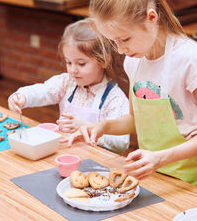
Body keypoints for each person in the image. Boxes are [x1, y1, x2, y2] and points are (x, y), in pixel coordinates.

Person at [74, 0, 197, 186]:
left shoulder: (190, 59)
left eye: (124, 39)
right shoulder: (134, 60)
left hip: (191, 180)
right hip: (154, 174)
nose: (120, 50)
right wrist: (102, 127)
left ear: (151, 17)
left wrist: (160, 157)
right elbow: (134, 120)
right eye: (113, 42)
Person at [8, 19, 129, 154]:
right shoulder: (66, 82)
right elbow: (42, 91)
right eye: (68, 62)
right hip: (64, 154)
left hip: (95, 161)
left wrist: (87, 128)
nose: (73, 70)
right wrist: (22, 96)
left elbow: (121, 143)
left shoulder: (115, 99)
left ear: (103, 60)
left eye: (81, 63)